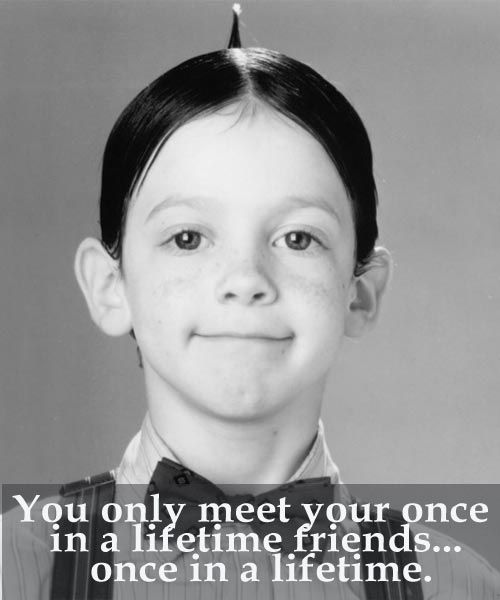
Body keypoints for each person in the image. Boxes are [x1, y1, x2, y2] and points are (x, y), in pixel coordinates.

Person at [2, 6, 499, 600]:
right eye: (187, 238)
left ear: (361, 292)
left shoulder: (457, 586)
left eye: (297, 238)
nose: (244, 280)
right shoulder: (16, 570)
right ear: (111, 287)